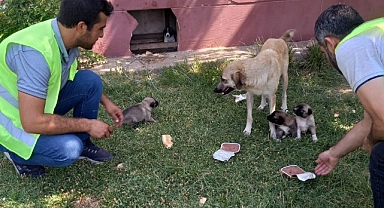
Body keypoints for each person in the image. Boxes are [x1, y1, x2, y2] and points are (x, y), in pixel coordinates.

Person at [0, 0, 124, 178]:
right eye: (100, 28)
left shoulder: (63, 36)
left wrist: (106, 102)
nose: (102, 35)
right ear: (81, 27)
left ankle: (84, 143)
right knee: (69, 149)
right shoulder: (34, 55)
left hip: (31, 107)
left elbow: (70, 75)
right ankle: (17, 154)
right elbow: (32, 122)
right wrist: (88, 124)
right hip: (11, 123)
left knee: (90, 81)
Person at [313, 4, 384, 207]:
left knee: (380, 156)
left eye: (323, 52)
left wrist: (371, 141)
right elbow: (369, 120)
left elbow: (382, 120)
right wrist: (334, 153)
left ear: (330, 43)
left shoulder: (350, 46)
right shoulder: (375, 34)